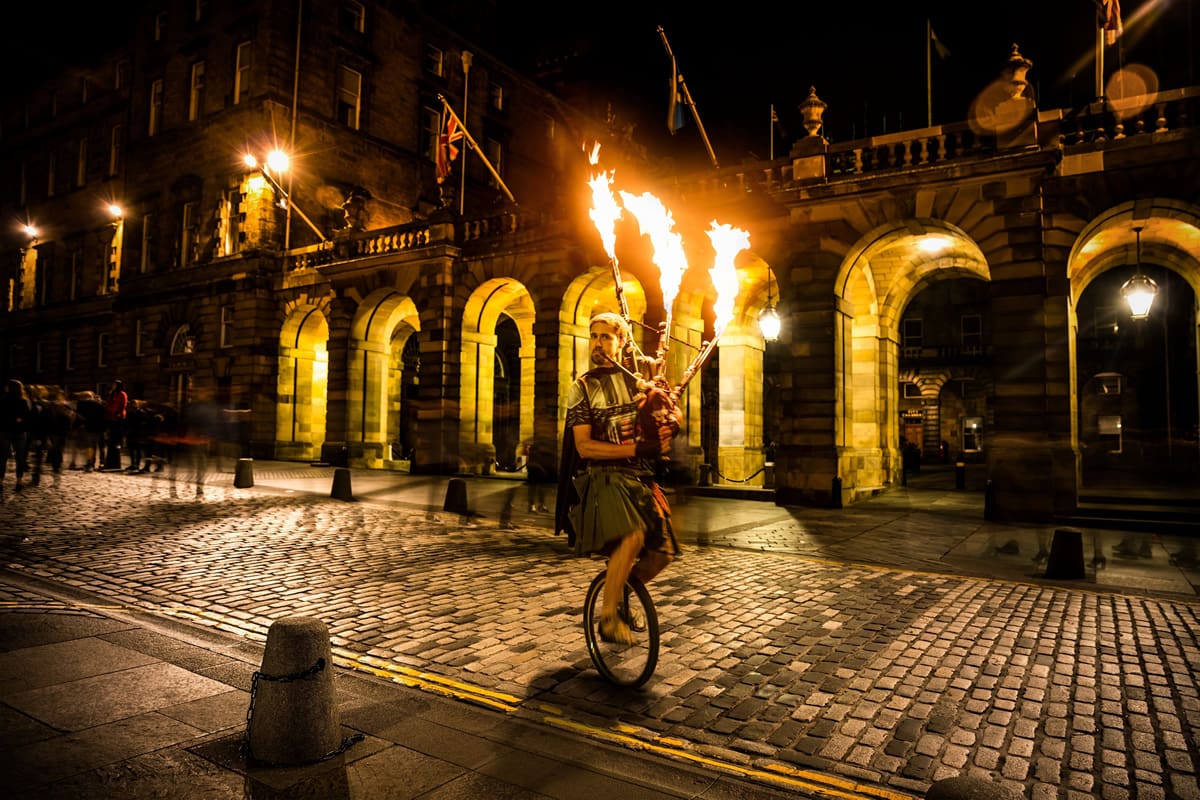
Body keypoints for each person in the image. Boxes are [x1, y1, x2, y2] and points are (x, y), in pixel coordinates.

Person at [557, 312, 681, 646]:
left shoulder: (638, 383)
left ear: (622, 342)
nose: (598, 344)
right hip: (603, 479)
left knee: (663, 552)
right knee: (632, 536)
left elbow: (664, 427)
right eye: (594, 336)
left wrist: (666, 410)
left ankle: (623, 590)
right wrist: (636, 447)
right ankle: (608, 616)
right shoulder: (581, 387)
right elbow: (583, 447)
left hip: (640, 479)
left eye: (606, 337)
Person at [0, 378, 33, 491]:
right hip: (19, 432)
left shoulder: (3, 400)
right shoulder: (23, 401)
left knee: (2, 458)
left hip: (5, 431)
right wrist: (19, 419)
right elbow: (27, 416)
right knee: (20, 458)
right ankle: (19, 481)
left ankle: (0, 481)